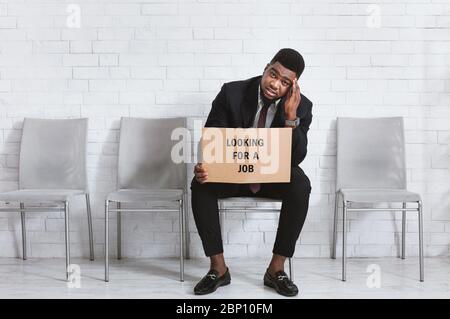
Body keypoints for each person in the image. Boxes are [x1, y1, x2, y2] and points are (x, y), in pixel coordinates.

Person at [191, 48, 313, 297]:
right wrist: (208, 165)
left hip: (270, 177)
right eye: (273, 74)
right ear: (266, 67)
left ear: (293, 85)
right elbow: (213, 138)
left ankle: (276, 270)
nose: (274, 84)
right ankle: (218, 269)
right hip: (235, 173)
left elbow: (297, 158)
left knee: (301, 183)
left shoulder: (301, 106)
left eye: (284, 82)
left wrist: (291, 118)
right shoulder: (232, 93)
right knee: (200, 182)